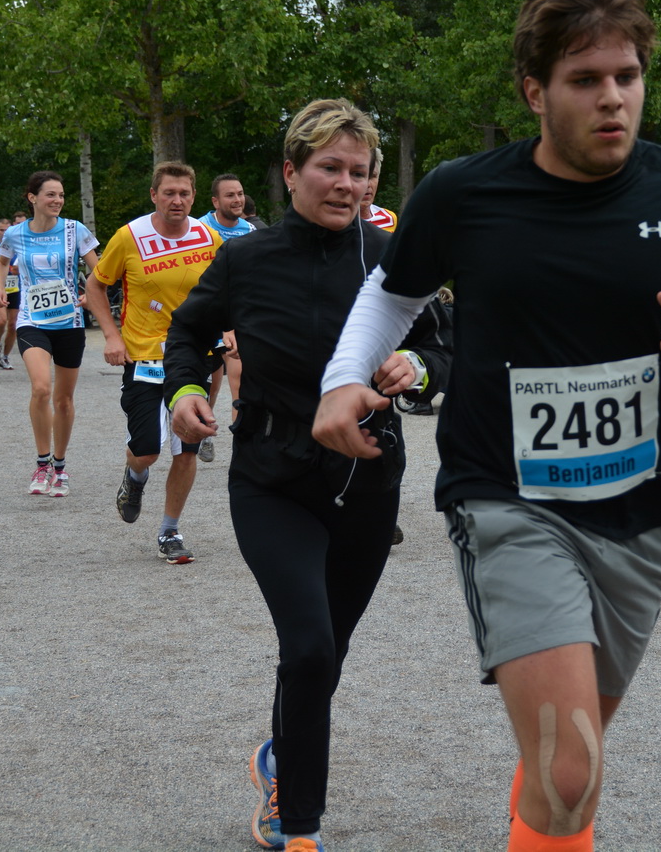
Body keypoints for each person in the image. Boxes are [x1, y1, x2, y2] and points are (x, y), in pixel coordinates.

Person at [313, 0, 661, 852]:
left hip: (640, 515)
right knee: (571, 768)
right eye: (586, 80)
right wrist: (339, 380)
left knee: (568, 760)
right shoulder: (466, 194)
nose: (613, 97)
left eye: (627, 75)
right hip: (506, 499)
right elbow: (392, 295)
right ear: (535, 92)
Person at [165, 100, 451, 852]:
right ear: (291, 172)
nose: (346, 184)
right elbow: (188, 332)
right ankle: (299, 822)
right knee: (311, 646)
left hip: (366, 479)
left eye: (360, 171)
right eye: (329, 167)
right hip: (271, 476)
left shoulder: (393, 255)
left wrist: (419, 365)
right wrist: (186, 390)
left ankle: (280, 756)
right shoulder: (246, 257)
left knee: (325, 652)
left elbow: (449, 347)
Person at [87, 162, 218, 560]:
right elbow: (96, 284)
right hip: (144, 356)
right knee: (147, 450)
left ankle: (169, 530)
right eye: (169, 193)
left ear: (193, 197)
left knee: (187, 447)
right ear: (154, 195)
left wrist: (230, 329)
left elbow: (227, 289)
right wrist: (111, 335)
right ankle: (135, 475)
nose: (176, 200)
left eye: (184, 193)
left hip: (193, 356)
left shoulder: (208, 237)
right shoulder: (130, 237)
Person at [0, 173, 100, 497]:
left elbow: (99, 268)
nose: (57, 200)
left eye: (61, 195)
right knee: (41, 388)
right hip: (32, 320)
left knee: (64, 400)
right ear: (32, 198)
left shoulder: (74, 230)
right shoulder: (14, 234)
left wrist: (90, 294)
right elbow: (1, 262)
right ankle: (41, 465)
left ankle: (60, 465)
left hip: (69, 322)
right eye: (50, 195)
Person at [196, 172, 255, 462]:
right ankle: (204, 427)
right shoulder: (199, 230)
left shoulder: (250, 230)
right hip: (207, 316)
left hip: (239, 318)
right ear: (215, 201)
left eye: (240, 193)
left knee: (239, 381)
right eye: (230, 195)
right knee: (210, 380)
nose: (237, 199)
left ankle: (241, 449)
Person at [0, 216, 20, 369]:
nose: (4, 233)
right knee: (2, 320)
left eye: (7, 230)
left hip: (16, 288)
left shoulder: (18, 244)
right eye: (2, 230)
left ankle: (5, 357)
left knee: (13, 325)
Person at [361, 150, 397, 232]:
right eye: (360, 175)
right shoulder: (335, 221)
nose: (368, 184)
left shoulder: (389, 219)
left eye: (373, 176)